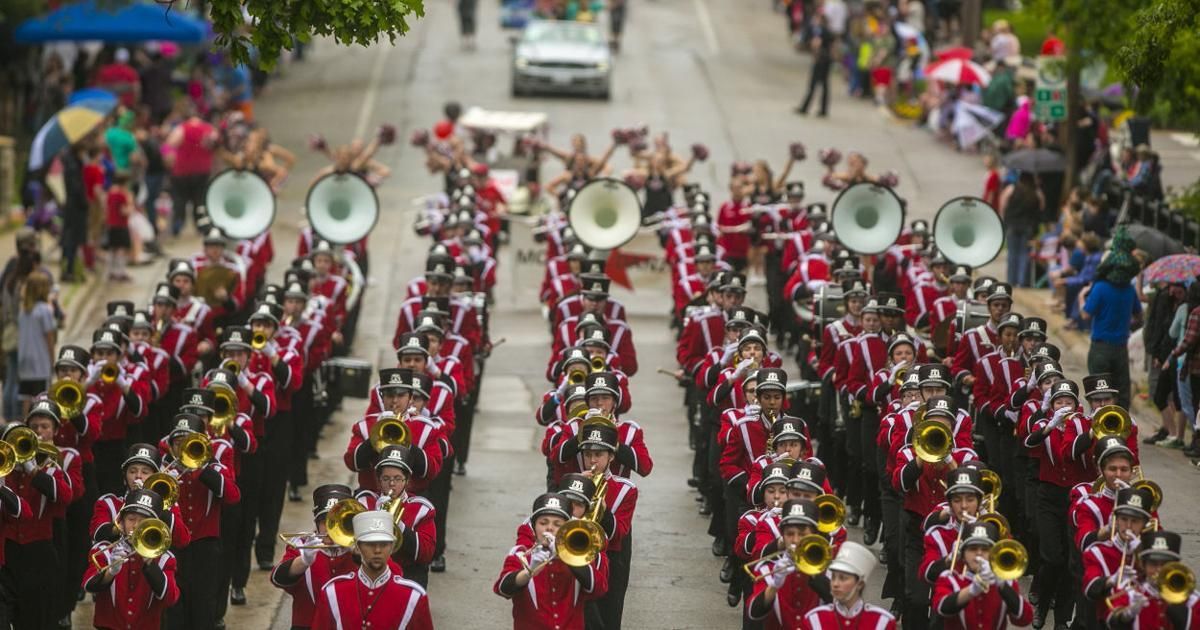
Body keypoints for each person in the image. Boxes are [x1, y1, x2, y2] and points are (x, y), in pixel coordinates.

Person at [494, 492, 609, 628]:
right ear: (534, 526)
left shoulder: (580, 557)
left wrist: (567, 557)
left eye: (558, 524)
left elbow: (599, 589)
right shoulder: (521, 553)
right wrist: (528, 572)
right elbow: (502, 589)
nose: (549, 528)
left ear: (567, 529)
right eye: (543, 523)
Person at [311, 510, 434, 629]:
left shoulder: (414, 597)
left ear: (392, 547)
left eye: (384, 544)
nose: (377, 550)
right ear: (357, 547)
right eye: (370, 544)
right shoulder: (332, 592)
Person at [82, 488, 180, 630]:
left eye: (143, 521)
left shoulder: (165, 558)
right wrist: (110, 572)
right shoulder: (103, 549)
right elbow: (88, 585)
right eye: (131, 519)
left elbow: (170, 598)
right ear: (121, 522)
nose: (135, 525)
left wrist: (150, 563)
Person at [931, 521, 1035, 629]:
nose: (979, 553)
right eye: (973, 549)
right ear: (963, 554)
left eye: (985, 549)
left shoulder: (1006, 582)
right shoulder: (949, 578)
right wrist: (972, 590)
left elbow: (1025, 619)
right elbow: (941, 608)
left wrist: (1003, 587)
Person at [1082, 228, 1142, 410]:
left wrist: (1081, 298)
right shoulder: (1129, 290)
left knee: (1098, 394)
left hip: (1100, 348)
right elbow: (1138, 315)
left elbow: (1086, 314)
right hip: (1121, 348)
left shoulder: (1100, 287)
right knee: (1121, 393)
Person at [798, 542, 895, 629]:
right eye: (833, 577)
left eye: (843, 578)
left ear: (860, 584)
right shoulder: (814, 619)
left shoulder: (882, 622)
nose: (835, 584)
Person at [164, 103, 218, 235]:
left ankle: (178, 225)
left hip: (181, 171)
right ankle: (202, 226)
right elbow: (216, 145)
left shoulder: (181, 129)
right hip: (202, 170)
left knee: (179, 199)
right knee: (200, 200)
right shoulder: (209, 129)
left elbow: (167, 146)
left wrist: (169, 159)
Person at [17, 269, 56, 414]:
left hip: (25, 362)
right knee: (41, 398)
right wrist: (52, 360)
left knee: (26, 398)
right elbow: (49, 338)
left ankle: (25, 426)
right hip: (40, 362)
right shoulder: (45, 310)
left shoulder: (24, 311)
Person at [999, 171, 1044, 287]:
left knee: (1012, 254)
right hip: (1029, 227)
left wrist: (1006, 220)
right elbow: (1042, 207)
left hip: (1013, 225)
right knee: (1025, 254)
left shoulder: (1011, 189)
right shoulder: (1036, 192)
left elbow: (1003, 205)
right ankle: (1023, 281)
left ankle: (1011, 280)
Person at [797, 13, 833, 117]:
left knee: (813, 84)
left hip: (820, 60)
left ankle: (805, 107)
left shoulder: (819, 30)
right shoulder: (828, 30)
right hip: (827, 60)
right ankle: (823, 109)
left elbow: (816, 43)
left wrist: (814, 51)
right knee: (825, 85)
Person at [104, 170, 135, 281]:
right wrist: (131, 205)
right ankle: (120, 272)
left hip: (111, 224)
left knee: (112, 248)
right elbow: (124, 211)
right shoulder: (122, 195)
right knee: (122, 249)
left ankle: (110, 271)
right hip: (121, 224)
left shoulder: (110, 193)